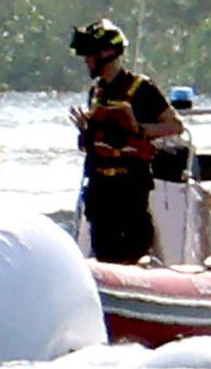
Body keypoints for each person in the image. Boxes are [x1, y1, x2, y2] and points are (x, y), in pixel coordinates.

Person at [70, 17, 182, 263]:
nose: (86, 61)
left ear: (106, 53)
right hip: (100, 187)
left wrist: (138, 129)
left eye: (89, 56)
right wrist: (88, 131)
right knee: (103, 251)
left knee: (134, 249)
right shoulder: (96, 91)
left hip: (129, 186)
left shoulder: (141, 89)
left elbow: (174, 125)